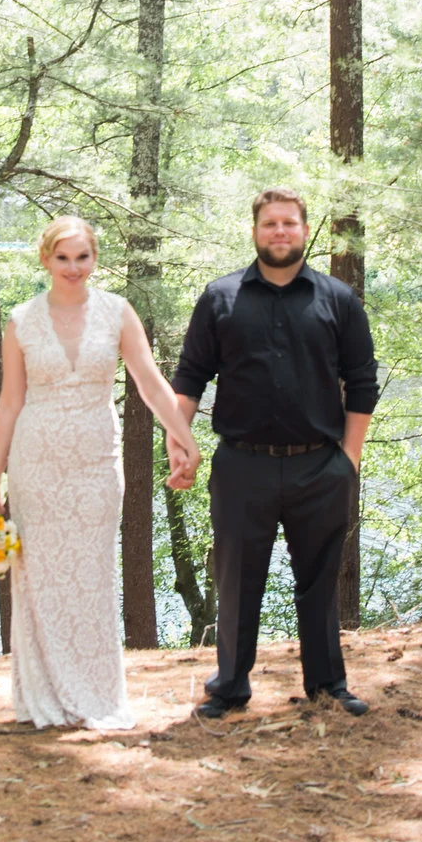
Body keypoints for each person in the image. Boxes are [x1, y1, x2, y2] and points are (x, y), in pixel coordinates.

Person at [0, 216, 200, 729]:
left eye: (83, 257)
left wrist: (183, 438)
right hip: (37, 465)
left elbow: (148, 381)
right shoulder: (21, 321)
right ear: (45, 260)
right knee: (41, 580)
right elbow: (10, 404)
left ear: (95, 259)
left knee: (93, 577)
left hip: (97, 464)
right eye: (63, 258)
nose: (74, 268)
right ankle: (46, 696)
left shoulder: (118, 314)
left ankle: (97, 696)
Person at [171, 186, 378, 719]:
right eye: (270, 224)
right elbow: (190, 377)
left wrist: (348, 461)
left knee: (319, 581)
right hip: (243, 465)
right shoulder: (220, 298)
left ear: (305, 231)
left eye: (289, 223)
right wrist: (181, 441)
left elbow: (361, 382)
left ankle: (327, 685)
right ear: (255, 230)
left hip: (320, 466)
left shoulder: (338, 299)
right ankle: (230, 688)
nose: (280, 232)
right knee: (238, 582)